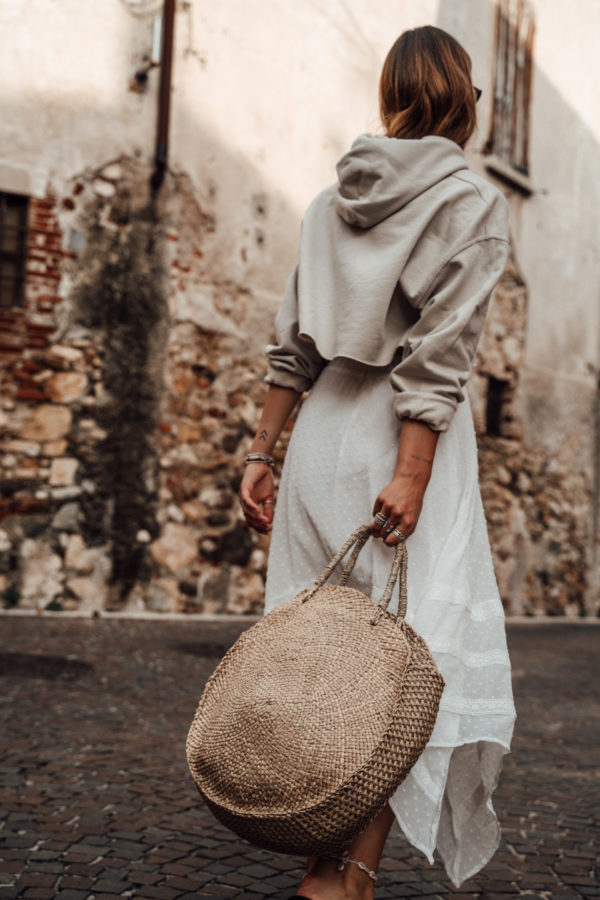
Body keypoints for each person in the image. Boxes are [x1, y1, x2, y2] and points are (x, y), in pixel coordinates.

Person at [239, 24, 516, 900]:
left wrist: (259, 451)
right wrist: (414, 470)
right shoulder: (468, 201)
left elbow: (293, 350)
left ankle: (324, 858)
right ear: (463, 97)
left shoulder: (329, 201)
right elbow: (439, 356)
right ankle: (350, 871)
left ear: (390, 90)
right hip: (397, 438)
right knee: (404, 665)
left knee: (321, 659)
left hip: (321, 433)